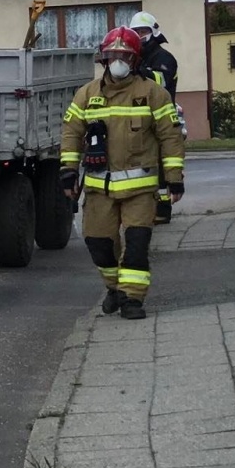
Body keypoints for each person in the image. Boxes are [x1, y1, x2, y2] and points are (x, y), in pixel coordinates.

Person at [60, 27, 186, 320]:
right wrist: (67, 171)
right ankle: (115, 288)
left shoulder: (154, 94)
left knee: (137, 245)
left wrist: (174, 177)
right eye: (113, 55)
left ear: (136, 60)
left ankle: (133, 300)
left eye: (124, 56)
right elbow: (71, 133)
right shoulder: (87, 94)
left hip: (140, 190)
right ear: (103, 59)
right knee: (99, 244)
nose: (118, 61)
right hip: (98, 188)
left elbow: (170, 137)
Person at [130, 11, 181, 224]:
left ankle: (162, 210)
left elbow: (161, 80)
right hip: (139, 115)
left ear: (153, 32)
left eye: (144, 31)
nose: (140, 35)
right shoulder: (135, 57)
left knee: (161, 163)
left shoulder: (164, 58)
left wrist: (143, 71)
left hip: (160, 116)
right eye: (136, 31)